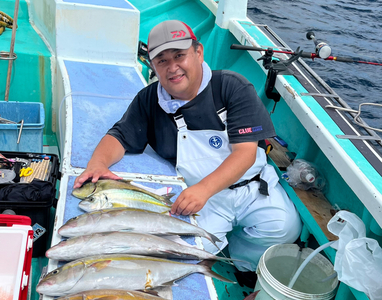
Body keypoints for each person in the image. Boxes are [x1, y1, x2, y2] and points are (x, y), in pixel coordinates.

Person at [74, 20, 301, 280]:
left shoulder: (231, 87)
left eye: (179, 55)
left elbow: (245, 154)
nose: (173, 68)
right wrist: (97, 165)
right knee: (180, 258)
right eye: (162, 60)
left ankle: (244, 265)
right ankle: (217, 251)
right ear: (153, 66)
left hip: (253, 187)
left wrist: (204, 189)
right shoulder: (148, 101)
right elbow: (119, 137)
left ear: (198, 52)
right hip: (199, 201)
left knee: (285, 229)